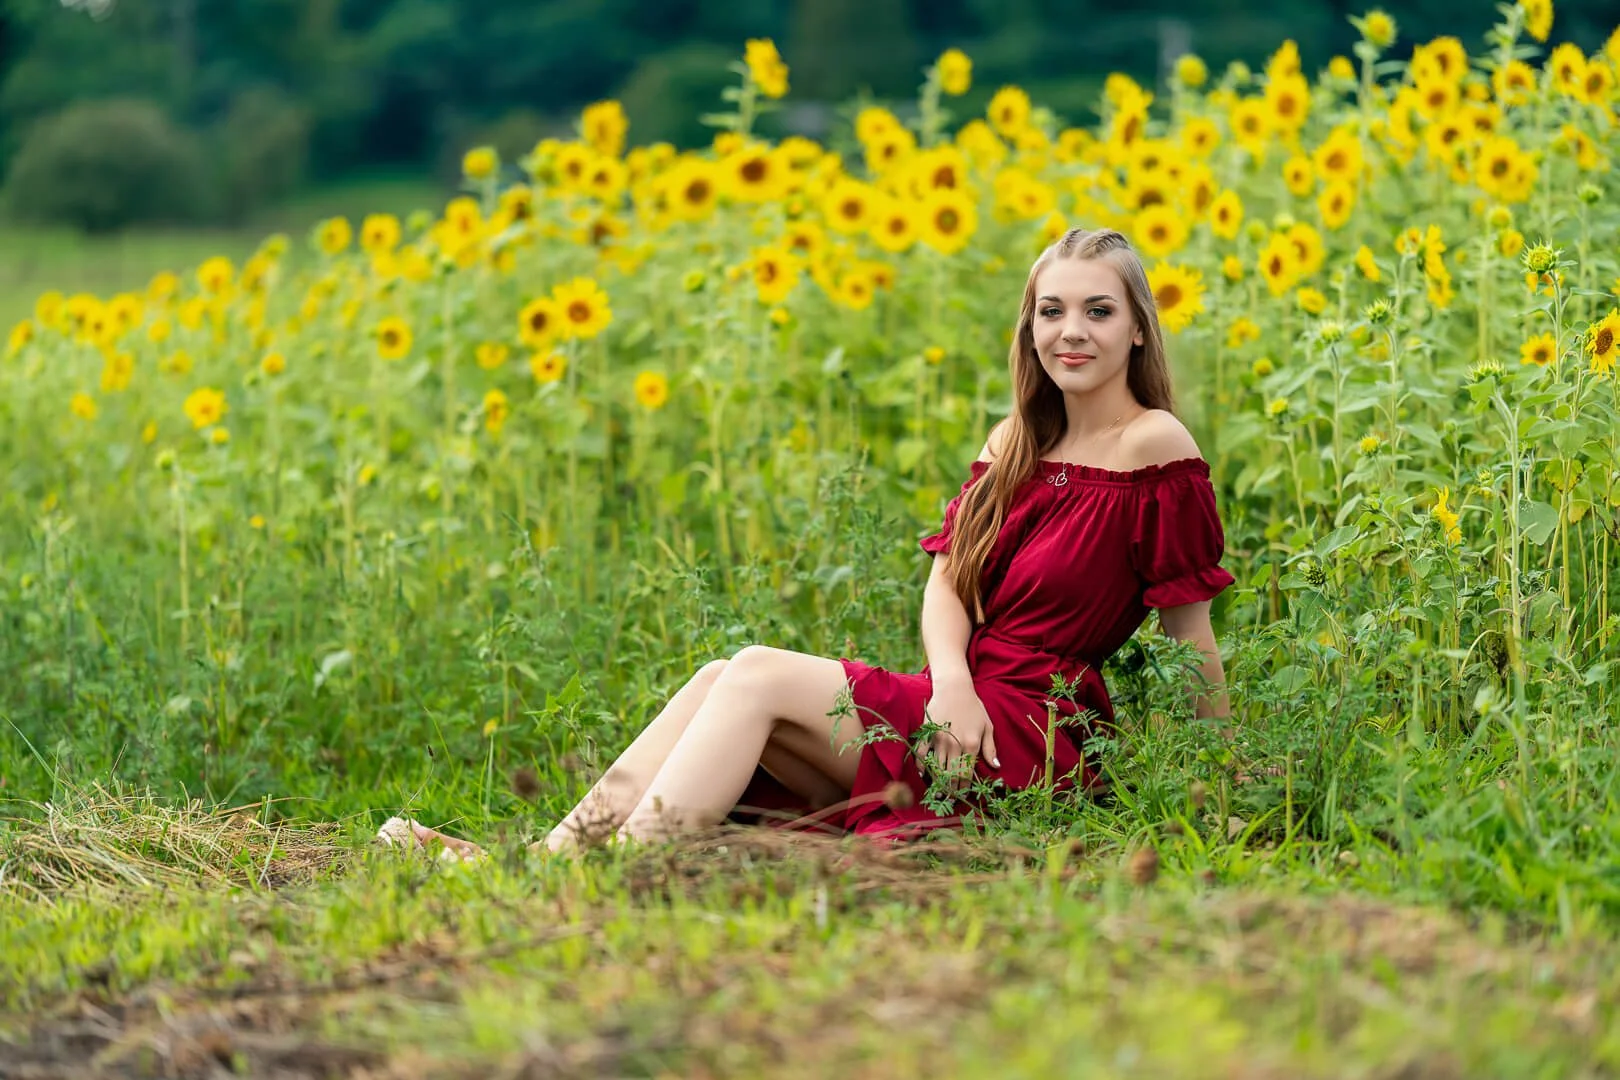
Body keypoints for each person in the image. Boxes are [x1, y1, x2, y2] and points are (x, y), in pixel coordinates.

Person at [379, 226, 1235, 862]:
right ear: (1029, 328)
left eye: (1097, 310)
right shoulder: (1011, 436)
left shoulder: (1154, 446)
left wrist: (1219, 795)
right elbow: (947, 587)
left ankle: (593, 880)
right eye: (1052, 311)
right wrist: (951, 688)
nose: (1071, 331)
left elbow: (1190, 641)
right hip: (963, 704)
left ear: (1137, 330)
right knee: (722, 678)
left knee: (753, 670)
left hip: (1035, 733)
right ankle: (546, 864)